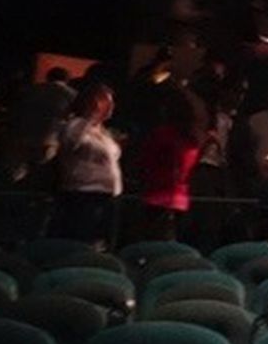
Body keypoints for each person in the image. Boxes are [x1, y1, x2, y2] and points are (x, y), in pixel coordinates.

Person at [48, 81, 123, 245]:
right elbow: (71, 142)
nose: (111, 106)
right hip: (83, 194)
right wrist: (90, 116)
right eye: (105, 101)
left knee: (99, 241)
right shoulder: (76, 125)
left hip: (106, 195)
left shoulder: (103, 131)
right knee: (80, 240)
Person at [131, 86, 206, 244]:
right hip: (181, 199)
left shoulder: (164, 135)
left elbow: (146, 161)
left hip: (158, 197)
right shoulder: (194, 139)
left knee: (152, 247)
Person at [0, 63, 74, 186]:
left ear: (48, 77)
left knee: (16, 176)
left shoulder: (30, 90)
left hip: (21, 137)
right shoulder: (70, 94)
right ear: (67, 79)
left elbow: (15, 111)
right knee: (40, 176)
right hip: (48, 140)